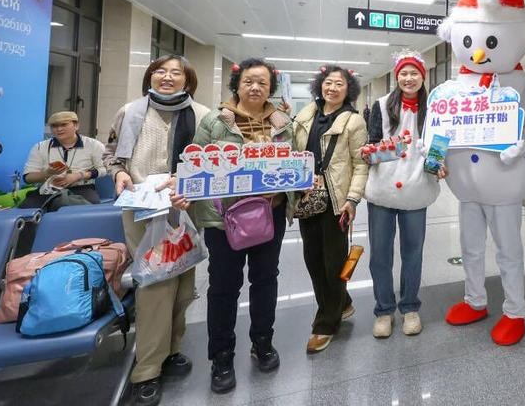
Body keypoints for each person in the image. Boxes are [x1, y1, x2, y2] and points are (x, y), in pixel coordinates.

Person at [103, 55, 210, 406]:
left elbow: (210, 161)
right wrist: (118, 173)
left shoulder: (202, 115)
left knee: (182, 283)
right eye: (160, 72)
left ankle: (171, 350)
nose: (166, 78)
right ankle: (146, 370)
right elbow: (111, 154)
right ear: (151, 76)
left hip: (184, 208)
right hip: (141, 209)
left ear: (187, 81)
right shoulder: (131, 111)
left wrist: (189, 184)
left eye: (175, 73)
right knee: (155, 284)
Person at [191, 58, 295, 394]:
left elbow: (293, 161)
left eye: (263, 83)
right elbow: (196, 162)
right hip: (225, 220)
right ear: (237, 84)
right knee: (223, 287)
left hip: (270, 213)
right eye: (249, 81)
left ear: (271, 88)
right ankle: (221, 356)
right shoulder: (214, 121)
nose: (255, 87)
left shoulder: (282, 122)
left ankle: (262, 342)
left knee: (265, 280)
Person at [365, 51, 446, 339]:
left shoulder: (435, 108)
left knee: (413, 253)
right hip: (383, 191)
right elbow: (370, 147)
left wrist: (439, 165)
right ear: (396, 76)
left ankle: (410, 307)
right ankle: (384, 310)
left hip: (417, 190)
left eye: (414, 73)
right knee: (380, 255)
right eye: (403, 73)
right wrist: (375, 151)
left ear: (423, 76)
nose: (408, 78)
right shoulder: (380, 106)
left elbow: (440, 144)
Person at [292, 65, 368, 354]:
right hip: (307, 196)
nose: (332, 88)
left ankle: (326, 322)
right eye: (328, 83)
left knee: (332, 262)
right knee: (312, 257)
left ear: (348, 90)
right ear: (319, 86)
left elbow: (361, 164)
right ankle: (343, 303)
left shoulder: (353, 121)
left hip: (336, 201)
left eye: (339, 84)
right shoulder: (304, 116)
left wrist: (353, 199)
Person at [21, 111, 106, 208]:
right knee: (26, 209)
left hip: (81, 188)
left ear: (76, 126)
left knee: (86, 209)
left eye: (64, 124)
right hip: (49, 189)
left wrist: (78, 176)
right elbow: (27, 178)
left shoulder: (94, 145)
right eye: (54, 126)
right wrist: (48, 173)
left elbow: (104, 169)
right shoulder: (40, 147)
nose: (59, 129)